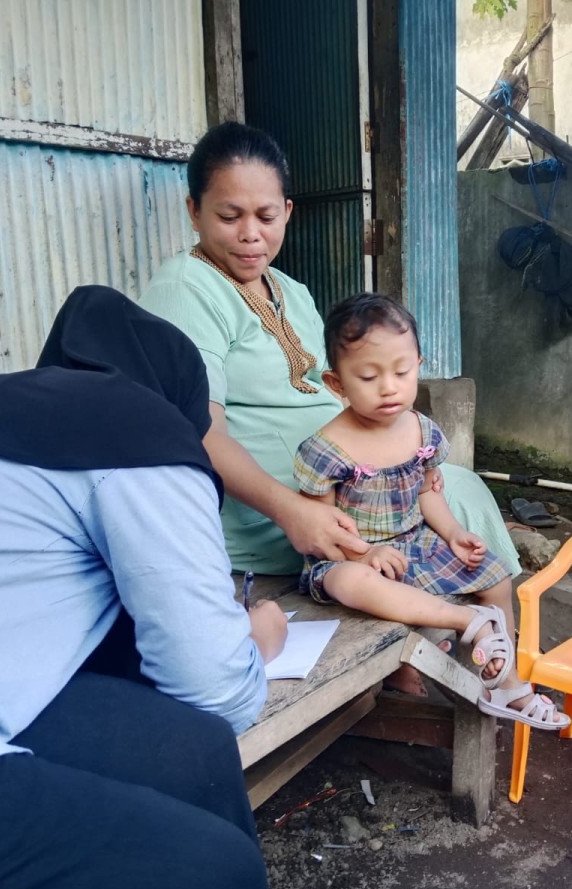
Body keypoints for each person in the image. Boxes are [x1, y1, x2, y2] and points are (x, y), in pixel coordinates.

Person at [0, 287, 287, 889]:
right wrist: (258, 641)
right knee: (211, 869)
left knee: (186, 750)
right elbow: (216, 690)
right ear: (182, 401)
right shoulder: (143, 433)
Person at [136, 121, 519, 580]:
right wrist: (293, 511)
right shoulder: (185, 290)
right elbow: (197, 431)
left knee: (457, 487)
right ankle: (477, 634)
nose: (250, 234)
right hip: (282, 511)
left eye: (266, 215)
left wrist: (403, 453)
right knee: (447, 506)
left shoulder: (291, 291)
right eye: (229, 216)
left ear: (288, 211)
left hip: (358, 484)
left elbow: (337, 394)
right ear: (194, 211)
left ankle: (490, 634)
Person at [293, 293, 567, 729]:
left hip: (414, 545)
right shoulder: (327, 448)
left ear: (418, 364)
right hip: (350, 559)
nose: (388, 387)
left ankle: (508, 681)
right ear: (336, 384)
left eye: (401, 372)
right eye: (368, 376)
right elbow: (317, 530)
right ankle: (466, 621)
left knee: (494, 573)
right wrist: (363, 554)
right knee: (348, 580)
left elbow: (428, 496)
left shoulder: (422, 431)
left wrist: (455, 534)